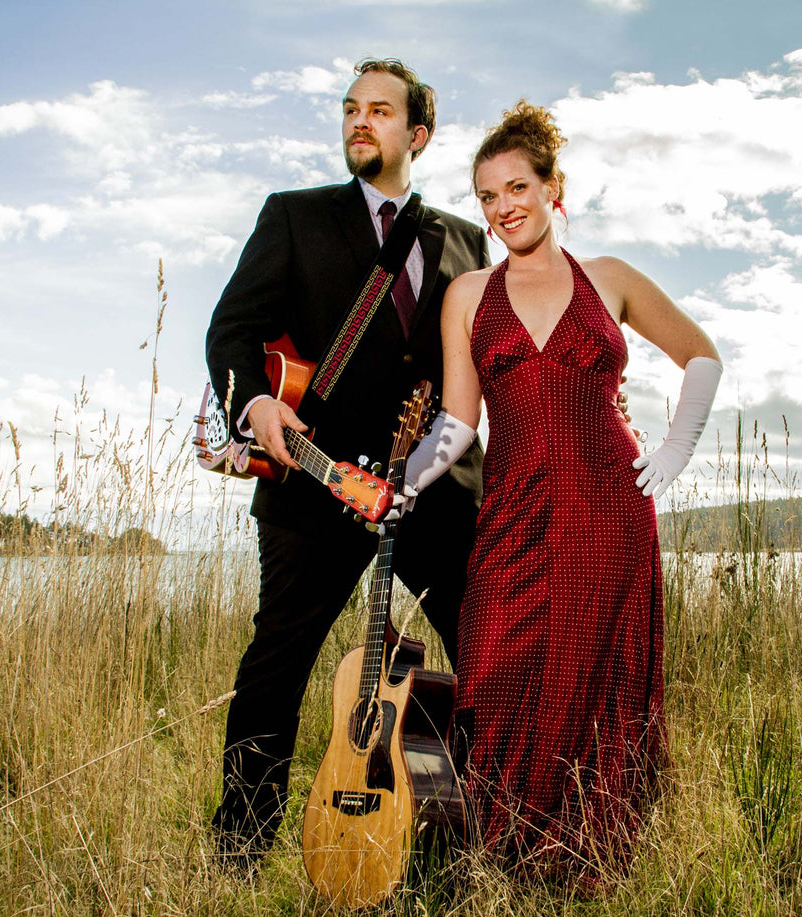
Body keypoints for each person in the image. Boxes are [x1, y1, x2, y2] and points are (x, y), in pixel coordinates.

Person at [403, 100, 723, 883]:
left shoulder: (608, 279)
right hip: (511, 513)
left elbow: (702, 357)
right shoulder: (469, 295)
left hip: (609, 508)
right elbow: (456, 420)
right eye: (487, 196)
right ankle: (504, 855)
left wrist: (676, 448)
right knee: (495, 669)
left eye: (517, 187)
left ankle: (589, 857)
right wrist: (402, 483)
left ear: (554, 188)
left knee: (598, 677)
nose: (504, 206)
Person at [203, 58, 488, 871]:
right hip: (317, 482)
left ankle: (483, 832)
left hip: (436, 490)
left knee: (487, 655)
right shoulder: (291, 217)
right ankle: (241, 848)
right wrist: (255, 406)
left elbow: (498, 358)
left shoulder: (468, 242)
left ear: (417, 134)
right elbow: (231, 332)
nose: (361, 122)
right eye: (351, 110)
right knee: (276, 663)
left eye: (381, 112)